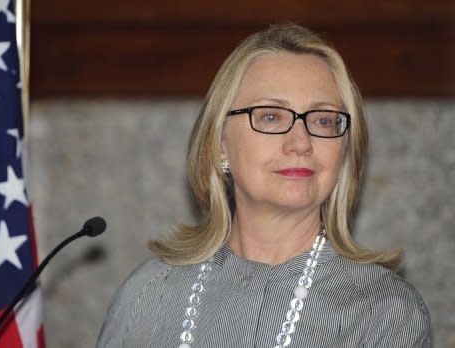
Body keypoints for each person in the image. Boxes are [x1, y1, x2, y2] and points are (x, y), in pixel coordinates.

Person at [96, 23, 431, 347]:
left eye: (323, 120)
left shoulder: (384, 311)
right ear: (220, 143)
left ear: (344, 153)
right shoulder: (148, 293)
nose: (300, 142)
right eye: (271, 116)